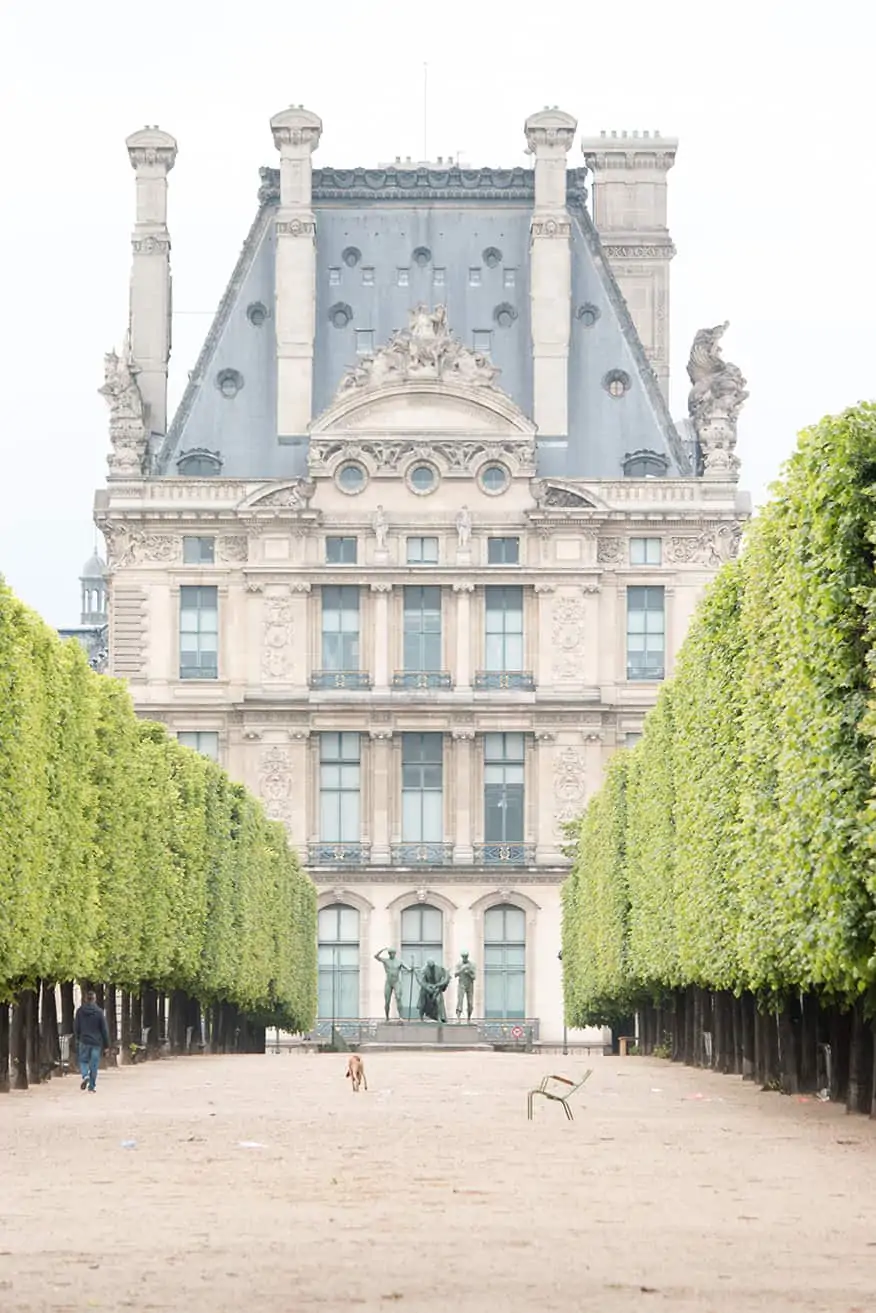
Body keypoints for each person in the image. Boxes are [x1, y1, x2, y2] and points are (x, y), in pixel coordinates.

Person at [74, 990, 110, 1093]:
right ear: (94, 999)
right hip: (96, 1042)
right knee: (94, 1065)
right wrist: (106, 1045)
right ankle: (92, 1087)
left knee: (83, 1061)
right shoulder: (99, 1012)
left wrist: (78, 1038)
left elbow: (76, 1026)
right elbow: (104, 1029)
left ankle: (85, 1075)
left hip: (84, 1040)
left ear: (85, 999)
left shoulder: (80, 1011)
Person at [374, 947, 412, 1021]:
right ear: (389, 954)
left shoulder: (399, 962)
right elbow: (376, 956)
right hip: (388, 982)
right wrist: (382, 950)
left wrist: (411, 969)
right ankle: (387, 1017)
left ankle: (401, 1016)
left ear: (395, 953)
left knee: (398, 998)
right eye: (390, 953)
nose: (392, 954)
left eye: (393, 953)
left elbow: (408, 968)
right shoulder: (386, 961)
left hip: (396, 982)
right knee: (387, 1001)